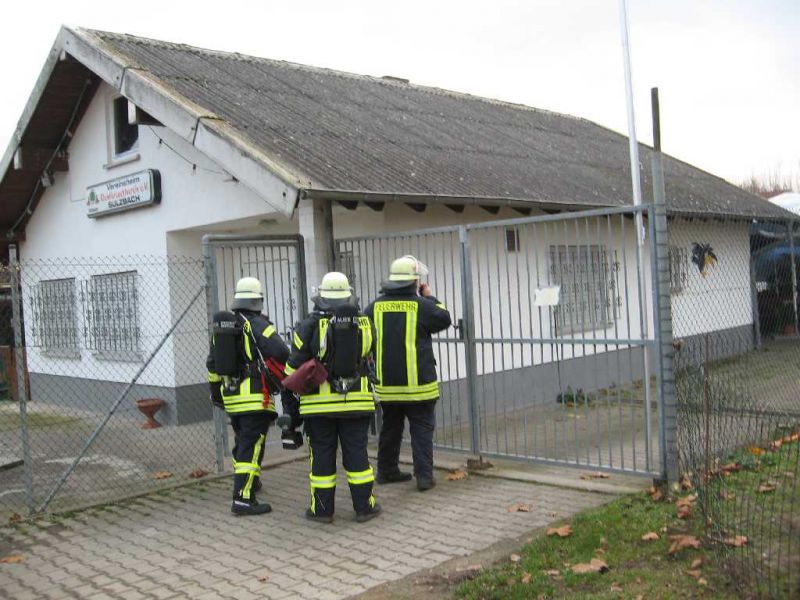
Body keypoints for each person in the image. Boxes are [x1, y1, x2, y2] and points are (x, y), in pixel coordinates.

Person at [284, 271, 380, 523]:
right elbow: (371, 357)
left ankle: (322, 511)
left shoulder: (308, 325)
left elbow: (291, 369)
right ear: (348, 295)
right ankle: (365, 508)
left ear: (322, 296)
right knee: (357, 454)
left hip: (317, 407)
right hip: (357, 402)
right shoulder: (365, 322)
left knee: (322, 457)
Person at [365, 255, 452, 491]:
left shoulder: (373, 307)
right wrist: (430, 295)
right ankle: (423, 477)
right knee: (421, 430)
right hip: (419, 387)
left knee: (390, 429)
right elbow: (444, 318)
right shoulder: (422, 306)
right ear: (415, 282)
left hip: (387, 386)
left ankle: (387, 470)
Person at [206, 276, 290, 516]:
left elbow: (212, 364)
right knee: (251, 447)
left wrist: (217, 394)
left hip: (231, 395)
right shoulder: (259, 324)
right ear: (258, 300)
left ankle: (250, 481)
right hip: (255, 396)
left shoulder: (224, 328)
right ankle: (243, 499)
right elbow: (281, 350)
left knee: (243, 442)